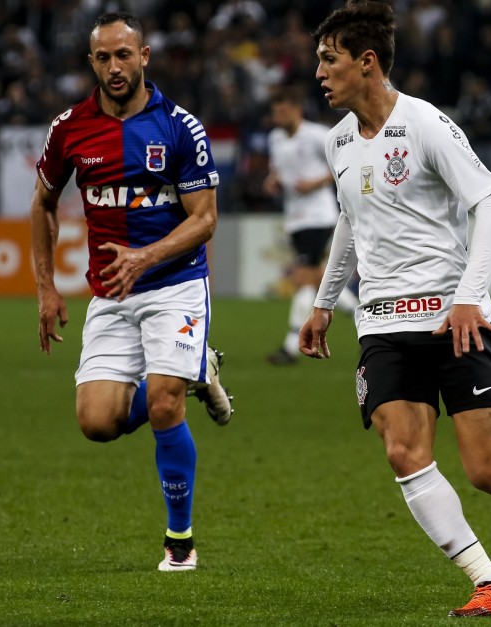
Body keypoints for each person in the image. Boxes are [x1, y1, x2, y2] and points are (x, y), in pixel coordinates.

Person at [300, 2, 491, 617]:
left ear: (367, 63)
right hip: (383, 325)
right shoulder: (340, 140)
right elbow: (349, 221)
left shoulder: (427, 125)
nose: (319, 72)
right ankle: (490, 582)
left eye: (329, 59)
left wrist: (470, 295)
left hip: (450, 319)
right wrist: (322, 301)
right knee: (402, 450)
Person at [31, 12, 233, 572]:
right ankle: (200, 369)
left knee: (165, 403)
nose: (115, 67)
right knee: (97, 423)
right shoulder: (69, 128)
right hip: (110, 295)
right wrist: (46, 287)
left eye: (125, 55)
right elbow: (43, 203)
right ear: (91, 62)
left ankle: (180, 542)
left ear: (145, 56)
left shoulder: (179, 126)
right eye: (103, 57)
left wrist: (144, 258)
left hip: (175, 284)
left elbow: (205, 219)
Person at [262, 86, 359, 365]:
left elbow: (343, 164)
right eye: (276, 111)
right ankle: (361, 317)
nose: (279, 116)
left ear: (297, 110)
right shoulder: (275, 138)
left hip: (319, 216)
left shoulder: (318, 135)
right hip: (294, 219)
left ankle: (290, 347)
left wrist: (315, 183)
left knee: (303, 279)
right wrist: (273, 180)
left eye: (284, 110)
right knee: (317, 282)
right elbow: (278, 168)